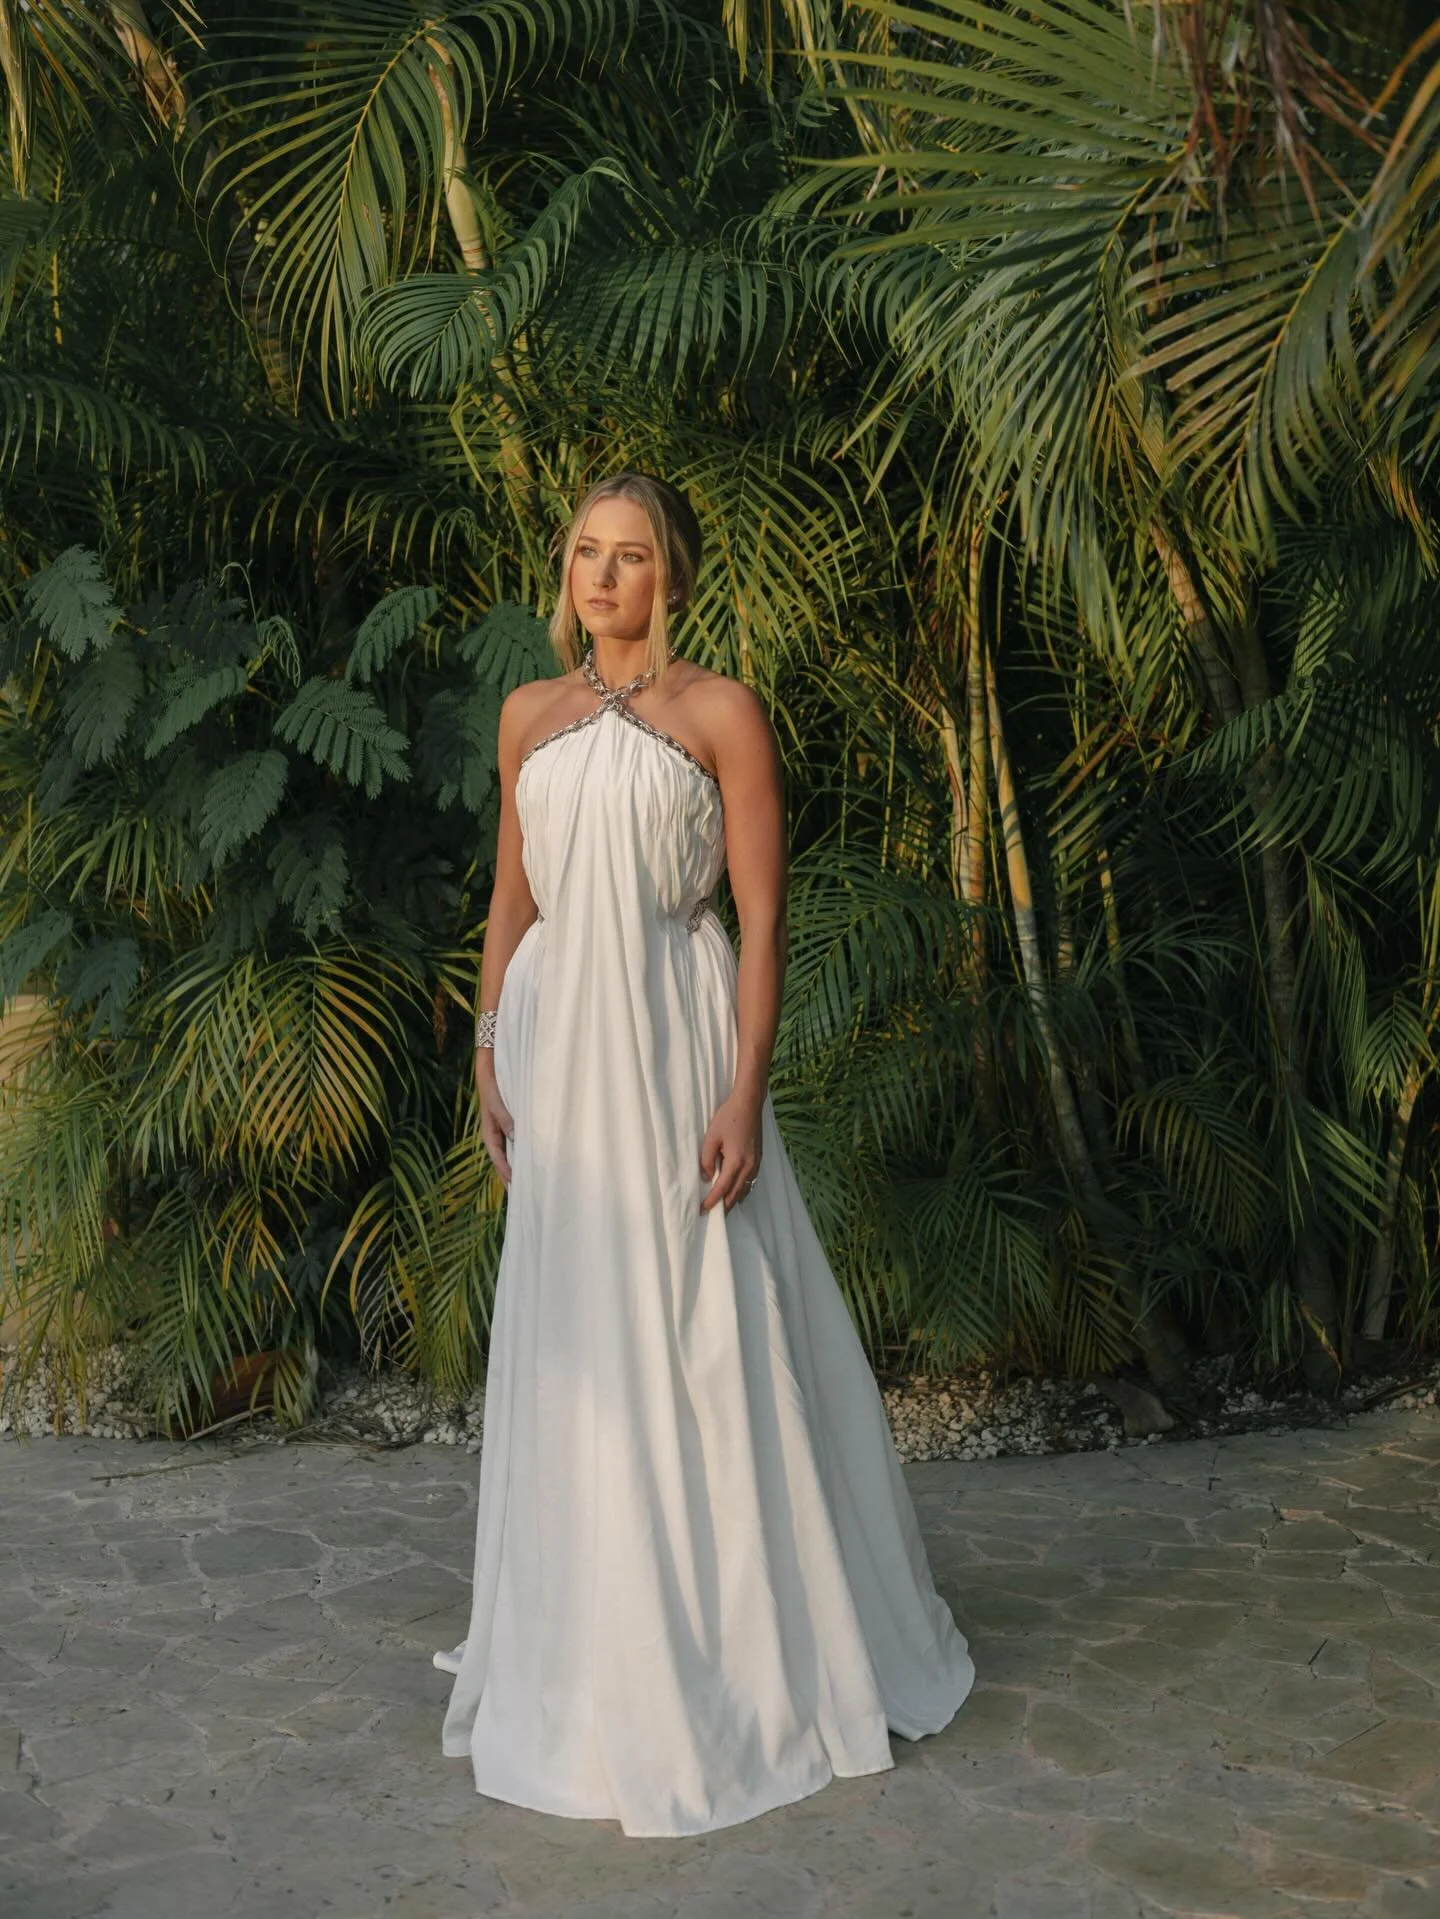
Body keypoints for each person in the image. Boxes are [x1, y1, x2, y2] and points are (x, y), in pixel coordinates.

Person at [437, 472, 974, 1837]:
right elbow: (510, 900)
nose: (600, 578)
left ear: (671, 574)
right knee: (580, 1334)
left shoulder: (720, 714)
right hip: (560, 1048)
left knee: (702, 1322)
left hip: (672, 1038)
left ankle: (733, 1639)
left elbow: (764, 914)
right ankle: (581, 1636)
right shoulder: (528, 718)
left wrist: (745, 1089)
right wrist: (489, 1048)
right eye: (582, 554)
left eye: (628, 557)